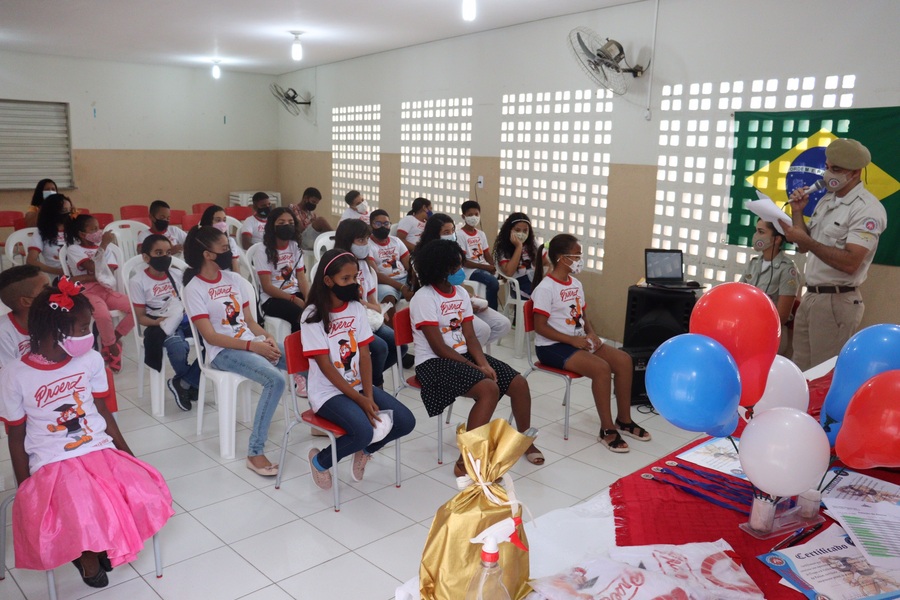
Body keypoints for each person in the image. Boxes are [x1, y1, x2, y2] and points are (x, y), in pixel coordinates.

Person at [0, 279, 173, 589]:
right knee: (80, 504)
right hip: (52, 458)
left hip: (96, 446)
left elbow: (103, 411)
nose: (89, 336)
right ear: (54, 331)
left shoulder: (90, 360)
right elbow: (16, 434)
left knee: (139, 491)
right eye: (83, 329)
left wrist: (126, 452)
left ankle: (106, 539)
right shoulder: (14, 375)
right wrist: (26, 485)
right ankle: (87, 554)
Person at [410, 239, 543, 476]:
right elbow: (438, 347)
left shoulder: (460, 292)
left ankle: (525, 441)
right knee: (488, 389)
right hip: (432, 362)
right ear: (441, 268)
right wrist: (476, 367)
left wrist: (481, 362)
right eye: (455, 267)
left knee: (519, 383)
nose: (460, 271)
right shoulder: (424, 297)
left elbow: (470, 335)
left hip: (462, 354)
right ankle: (467, 460)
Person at [301, 248, 416, 489]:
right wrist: (360, 399)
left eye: (355, 278)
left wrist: (369, 394)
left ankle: (364, 450)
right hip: (327, 392)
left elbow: (365, 353)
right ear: (328, 280)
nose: (352, 283)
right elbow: (325, 367)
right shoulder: (312, 315)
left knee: (405, 421)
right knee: (364, 429)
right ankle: (320, 461)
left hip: (358, 387)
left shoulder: (355, 308)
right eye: (346, 279)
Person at [182, 226, 287, 476]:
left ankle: (318, 417)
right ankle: (255, 452)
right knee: (275, 380)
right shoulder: (194, 288)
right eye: (225, 249)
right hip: (223, 353)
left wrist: (268, 339)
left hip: (250, 341)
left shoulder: (234, 280)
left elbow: (250, 322)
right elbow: (210, 336)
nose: (230, 253)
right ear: (208, 255)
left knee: (306, 358)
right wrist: (254, 346)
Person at [531, 234, 651, 453]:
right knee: (601, 369)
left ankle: (624, 420)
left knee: (624, 360)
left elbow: (582, 315)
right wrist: (572, 340)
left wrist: (592, 333)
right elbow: (540, 327)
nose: (579, 259)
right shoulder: (545, 288)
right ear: (561, 258)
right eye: (576, 255)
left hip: (578, 340)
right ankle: (606, 430)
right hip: (552, 347)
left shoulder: (576, 283)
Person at [785, 138, 888, 370]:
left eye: (836, 170)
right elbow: (803, 246)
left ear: (855, 173)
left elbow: (851, 262)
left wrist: (808, 242)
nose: (828, 174)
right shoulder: (826, 200)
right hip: (811, 296)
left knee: (822, 373)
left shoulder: (867, 209)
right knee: (800, 369)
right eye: (828, 167)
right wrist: (798, 212)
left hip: (836, 301)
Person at [414, 214, 511, 348]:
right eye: (446, 232)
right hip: (442, 305)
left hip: (459, 299)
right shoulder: (423, 257)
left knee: (502, 324)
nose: (451, 234)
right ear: (434, 233)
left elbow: (458, 283)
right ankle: (467, 357)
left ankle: (467, 352)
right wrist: (464, 303)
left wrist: (469, 297)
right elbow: (431, 289)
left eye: (452, 230)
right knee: (482, 330)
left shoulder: (453, 250)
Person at [129, 234, 201, 411]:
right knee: (177, 347)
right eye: (158, 253)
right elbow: (141, 318)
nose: (164, 257)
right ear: (146, 257)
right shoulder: (137, 281)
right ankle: (190, 382)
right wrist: (160, 322)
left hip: (183, 318)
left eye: (168, 253)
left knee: (213, 340)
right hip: (159, 323)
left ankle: (183, 383)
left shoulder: (178, 274)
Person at [333, 219, 407, 388]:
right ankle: (375, 385)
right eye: (360, 240)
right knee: (380, 348)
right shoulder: (336, 266)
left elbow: (374, 303)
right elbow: (340, 303)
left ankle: (369, 378)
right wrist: (367, 305)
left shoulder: (365, 266)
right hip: (347, 322)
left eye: (367, 240)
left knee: (399, 346)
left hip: (367, 318)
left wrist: (370, 306)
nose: (365, 244)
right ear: (347, 240)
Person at [65, 214, 135, 373]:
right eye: (94, 229)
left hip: (106, 289)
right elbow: (94, 267)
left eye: (99, 228)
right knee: (102, 315)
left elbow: (107, 271)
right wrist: (103, 246)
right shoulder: (74, 249)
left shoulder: (107, 249)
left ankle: (111, 342)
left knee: (136, 307)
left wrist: (79, 277)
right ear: (82, 234)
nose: (99, 231)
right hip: (86, 292)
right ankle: (113, 348)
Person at [741, 218, 799, 356]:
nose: (755, 236)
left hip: (771, 334)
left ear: (776, 239)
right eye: (756, 231)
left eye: (761, 232)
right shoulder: (753, 264)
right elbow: (740, 293)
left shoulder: (787, 269)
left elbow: (782, 316)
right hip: (746, 328)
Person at [250, 206, 309, 333]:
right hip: (272, 299)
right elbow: (267, 287)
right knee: (300, 315)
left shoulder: (295, 246)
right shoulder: (262, 250)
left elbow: (302, 279)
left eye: (291, 223)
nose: (287, 225)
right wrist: (294, 299)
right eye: (281, 223)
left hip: (294, 292)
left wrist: (309, 298)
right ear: (272, 226)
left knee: (317, 310)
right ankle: (298, 349)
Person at [0, 265, 48, 367]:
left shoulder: (52, 318)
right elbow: (9, 374)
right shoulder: (3, 332)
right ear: (26, 301)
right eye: (46, 289)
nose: (54, 292)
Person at [458, 200, 500, 310]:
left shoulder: (481, 234)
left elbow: (486, 253)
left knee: (498, 279)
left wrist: (493, 267)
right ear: (463, 216)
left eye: (476, 214)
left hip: (483, 267)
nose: (474, 217)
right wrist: (486, 267)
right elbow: (464, 262)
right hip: (470, 270)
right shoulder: (460, 235)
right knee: (492, 283)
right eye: (470, 214)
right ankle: (491, 311)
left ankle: (485, 304)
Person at [494, 212, 545, 299]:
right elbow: (509, 273)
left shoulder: (533, 244)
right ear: (509, 230)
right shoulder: (503, 248)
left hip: (534, 280)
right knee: (541, 297)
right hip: (519, 284)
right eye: (517, 230)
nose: (522, 233)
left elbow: (546, 262)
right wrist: (518, 247)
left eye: (525, 230)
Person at [367, 209, 413, 306]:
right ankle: (392, 321)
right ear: (371, 225)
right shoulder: (367, 245)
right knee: (389, 299)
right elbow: (376, 275)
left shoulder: (396, 241)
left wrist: (414, 282)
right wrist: (402, 287)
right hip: (385, 283)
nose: (383, 227)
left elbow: (409, 265)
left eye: (386, 224)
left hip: (404, 279)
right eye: (378, 224)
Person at [26, 193, 74, 277]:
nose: (68, 214)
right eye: (64, 210)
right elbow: (31, 261)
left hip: (79, 274)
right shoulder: (41, 232)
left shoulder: (75, 229)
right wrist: (59, 271)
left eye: (70, 210)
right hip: (57, 276)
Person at [288, 186, 333, 253]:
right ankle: (338, 239)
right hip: (301, 239)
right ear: (306, 198)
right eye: (313, 202)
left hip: (311, 239)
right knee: (321, 221)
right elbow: (301, 229)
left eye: (316, 204)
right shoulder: (293, 208)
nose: (314, 205)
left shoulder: (312, 214)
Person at [198, 204, 240, 270]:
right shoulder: (199, 242)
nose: (222, 224)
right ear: (208, 221)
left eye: (224, 220)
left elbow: (235, 269)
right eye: (218, 220)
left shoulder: (230, 242)